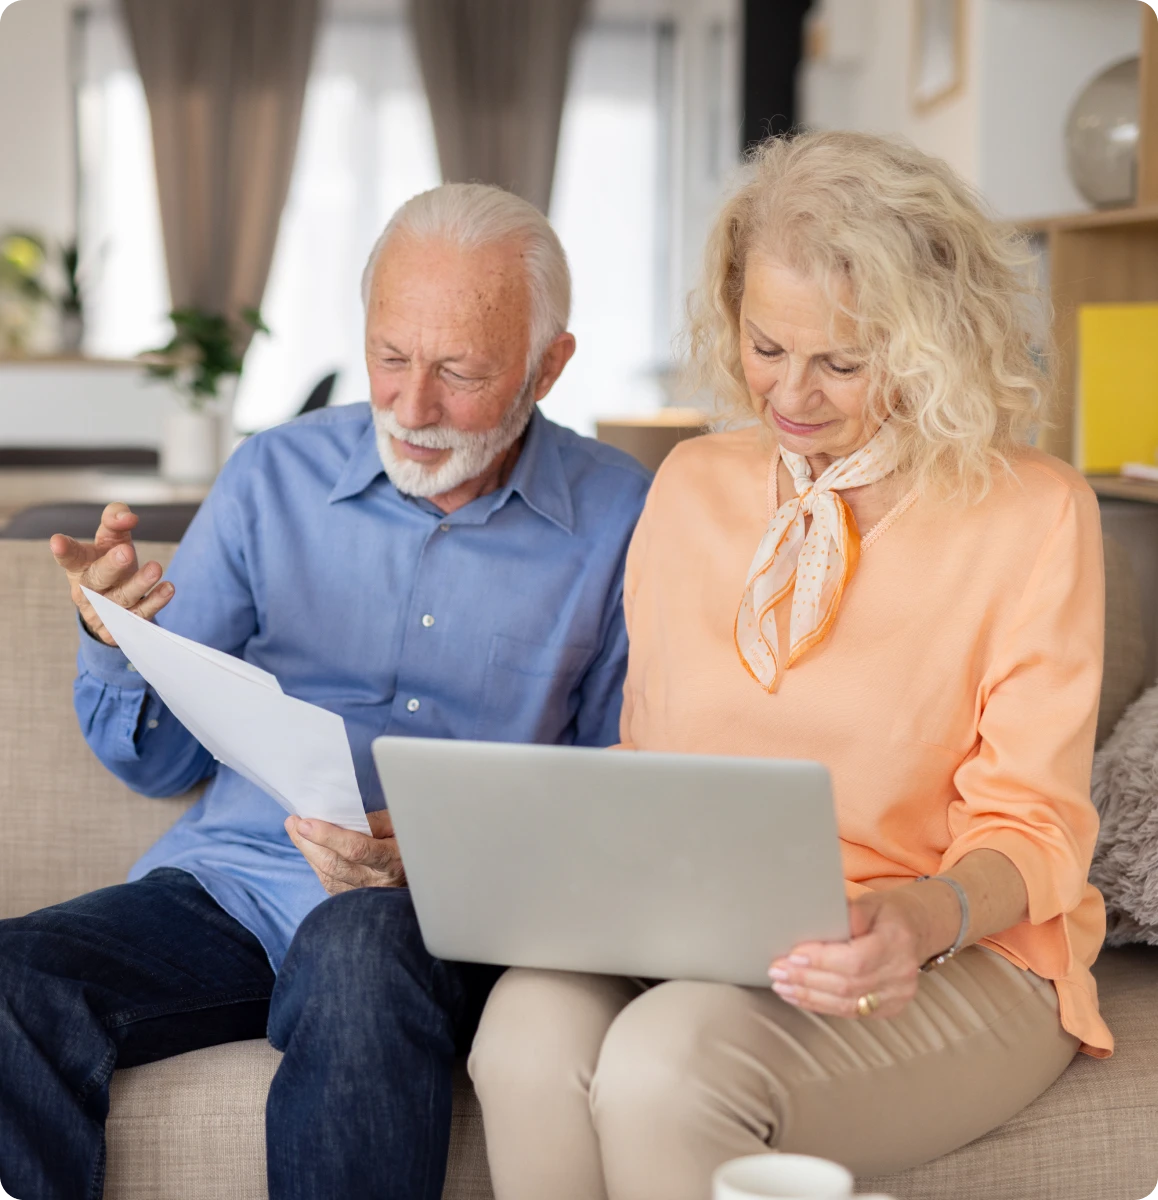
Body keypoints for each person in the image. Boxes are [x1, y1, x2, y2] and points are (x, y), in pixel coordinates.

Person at [468, 132, 1114, 1200]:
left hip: (955, 947)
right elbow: (652, 760)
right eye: (767, 347)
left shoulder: (1034, 514)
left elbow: (1035, 829)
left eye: (842, 363)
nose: (791, 397)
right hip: (704, 925)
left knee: (667, 1063)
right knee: (524, 1030)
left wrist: (912, 920)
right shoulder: (691, 485)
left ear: (929, 343)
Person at [0, 184, 651, 1200]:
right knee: (12, 978)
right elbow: (156, 760)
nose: (413, 405)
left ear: (549, 365)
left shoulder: (626, 518)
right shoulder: (272, 476)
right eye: (390, 356)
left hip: (451, 917)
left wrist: (446, 844)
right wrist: (117, 634)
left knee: (353, 948)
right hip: (234, 888)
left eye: (462, 371)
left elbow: (634, 782)